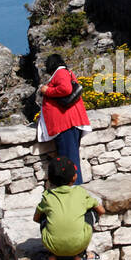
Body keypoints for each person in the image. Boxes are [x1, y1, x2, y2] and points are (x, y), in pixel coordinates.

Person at [33, 157, 105, 260]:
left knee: (45, 215)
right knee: (91, 211)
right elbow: (101, 210)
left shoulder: (47, 196)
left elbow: (36, 218)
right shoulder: (80, 193)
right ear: (75, 177)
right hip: (79, 244)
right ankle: (80, 256)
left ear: (49, 179)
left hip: (52, 245)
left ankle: (52, 256)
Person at [38, 53, 92, 184]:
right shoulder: (66, 72)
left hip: (66, 124)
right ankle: (74, 187)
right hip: (68, 124)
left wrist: (47, 91)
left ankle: (74, 189)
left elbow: (66, 89)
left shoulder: (60, 73)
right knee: (70, 157)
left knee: (69, 159)